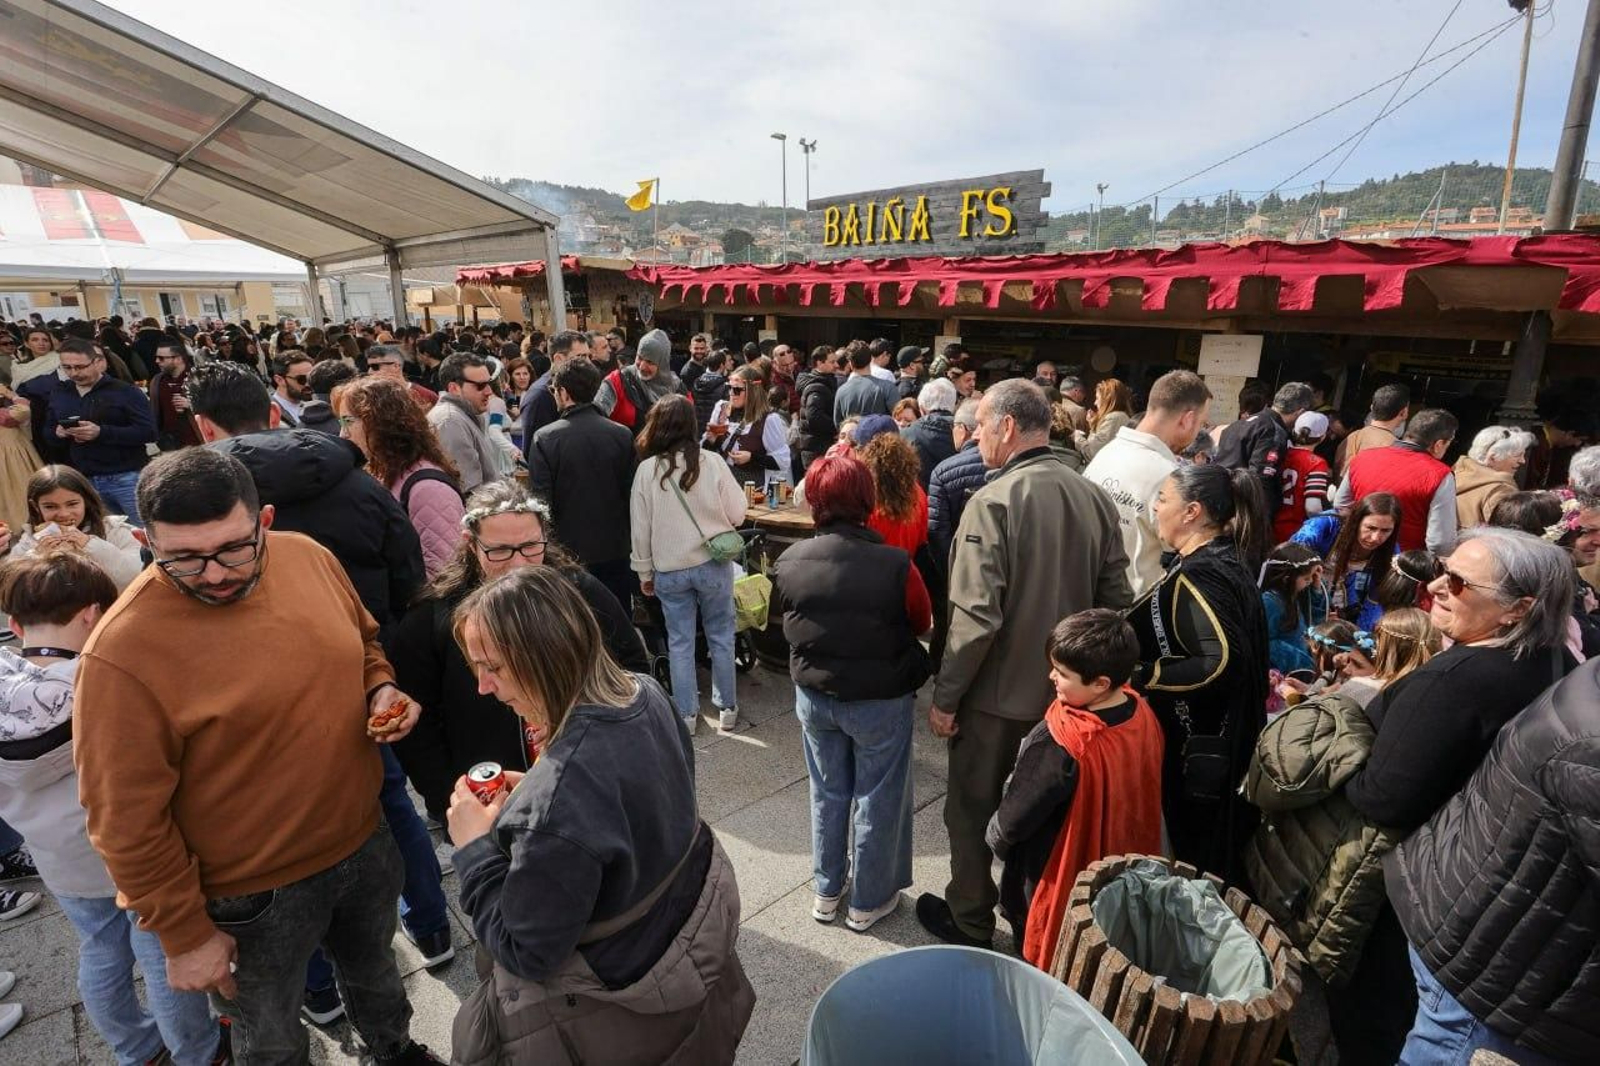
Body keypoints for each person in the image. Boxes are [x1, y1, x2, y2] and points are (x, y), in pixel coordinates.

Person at [74, 449, 439, 1065]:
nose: (215, 574)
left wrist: (379, 686)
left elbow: (364, 643)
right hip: (249, 898)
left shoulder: (310, 558)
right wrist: (186, 935)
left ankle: (397, 1050)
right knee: (269, 1039)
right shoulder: (120, 655)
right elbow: (123, 820)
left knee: (379, 978)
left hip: (362, 841)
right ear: (142, 539)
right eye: (183, 559)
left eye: (234, 549)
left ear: (265, 520)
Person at [445, 566, 754, 1062]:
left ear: (545, 658)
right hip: (684, 956)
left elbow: (527, 950)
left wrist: (476, 849)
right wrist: (538, 794)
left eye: (493, 667)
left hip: (614, 1005)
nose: (483, 686)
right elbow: (635, 795)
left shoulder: (556, 803)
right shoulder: (644, 692)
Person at [1339, 527, 1575, 1063]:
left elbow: (1383, 798)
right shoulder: (1558, 660)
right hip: (1495, 883)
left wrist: (1342, 757)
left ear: (1518, 609)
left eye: (1461, 583)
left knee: (1377, 1015)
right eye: (1443, 569)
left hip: (1424, 891)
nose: (1439, 586)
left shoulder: (1456, 680)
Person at [916, 380, 1133, 950]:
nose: (978, 437)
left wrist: (945, 697)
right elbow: (1116, 606)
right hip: (1067, 701)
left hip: (994, 701)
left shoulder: (993, 502)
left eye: (983, 426)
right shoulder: (1093, 496)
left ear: (1007, 427)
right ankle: (1036, 923)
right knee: (1043, 821)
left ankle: (970, 921)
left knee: (970, 817)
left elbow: (974, 618)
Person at [0, 553, 225, 1065]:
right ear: (92, 615)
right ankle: (198, 1051)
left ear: (15, 625)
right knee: (163, 952)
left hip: (57, 858)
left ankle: (135, 1048)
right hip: (123, 850)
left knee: (100, 950)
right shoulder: (101, 681)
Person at [389, 481, 648, 823]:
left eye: (530, 547)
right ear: (471, 545)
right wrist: (447, 797)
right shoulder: (436, 616)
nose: (518, 564)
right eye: (500, 551)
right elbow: (419, 721)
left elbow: (631, 669)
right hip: (489, 796)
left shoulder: (579, 593)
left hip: (583, 783)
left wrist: (584, 718)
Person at [1385, 657, 1599, 1063]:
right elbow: (1385, 795)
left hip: (1506, 948)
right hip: (1500, 977)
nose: (1437, 591)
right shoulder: (1456, 676)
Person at [1242, 608, 1439, 994]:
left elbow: (1292, 766)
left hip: (1322, 825)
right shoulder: (1422, 700)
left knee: (1293, 907)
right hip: (1359, 843)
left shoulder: (1360, 692)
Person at [773, 456, 933, 933]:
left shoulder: (790, 560)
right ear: (867, 500)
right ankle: (868, 899)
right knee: (877, 797)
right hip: (879, 697)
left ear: (817, 502)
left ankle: (827, 889)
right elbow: (921, 620)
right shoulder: (894, 564)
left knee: (827, 793)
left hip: (816, 695)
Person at [186, 361, 425, 634]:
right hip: (371, 651)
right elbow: (409, 579)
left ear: (204, 428)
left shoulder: (186, 509)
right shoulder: (362, 484)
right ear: (274, 414)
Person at [986, 609, 1163, 972]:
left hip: (1054, 868)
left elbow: (1017, 816)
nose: (1051, 676)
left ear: (1100, 683)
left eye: (1063, 674)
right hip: (1114, 866)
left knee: (1045, 947)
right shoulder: (1140, 711)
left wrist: (997, 839)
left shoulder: (1064, 741)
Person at [1129, 464, 1271, 883]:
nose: (1155, 507)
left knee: (1194, 860)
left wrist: (1143, 676)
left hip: (1199, 753)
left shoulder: (1202, 572)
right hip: (1217, 744)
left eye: (1163, 499)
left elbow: (1219, 661)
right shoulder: (1220, 559)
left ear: (1192, 511)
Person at [630, 397, 748, 734]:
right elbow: (738, 512)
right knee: (721, 636)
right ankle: (727, 707)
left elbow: (640, 529)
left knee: (680, 641)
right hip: (712, 563)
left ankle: (687, 714)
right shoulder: (711, 462)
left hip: (669, 568)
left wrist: (644, 572)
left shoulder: (647, 470)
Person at [1082, 370, 1213, 598]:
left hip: (1089, 597)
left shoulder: (1106, 454)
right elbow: (1186, 554)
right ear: (1187, 419)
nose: (1198, 432)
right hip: (1134, 608)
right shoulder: (1170, 476)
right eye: (1201, 424)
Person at [528, 357, 638, 613]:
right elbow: (631, 494)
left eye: (555, 390)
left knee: (575, 625)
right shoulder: (621, 434)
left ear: (564, 393)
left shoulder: (546, 438)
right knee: (617, 620)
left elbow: (541, 502)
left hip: (567, 552)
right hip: (616, 547)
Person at [338, 377, 465, 579]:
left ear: (380, 422)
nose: (342, 434)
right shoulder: (385, 471)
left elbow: (444, 573)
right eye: (340, 422)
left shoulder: (427, 488)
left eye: (348, 421)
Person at [45, 338, 156, 521]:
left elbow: (149, 432)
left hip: (127, 477)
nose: (74, 373)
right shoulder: (60, 392)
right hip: (84, 480)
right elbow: (47, 433)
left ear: (98, 362)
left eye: (80, 367)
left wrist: (101, 432)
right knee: (110, 538)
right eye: (67, 367)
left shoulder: (125, 391)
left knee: (145, 535)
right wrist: (58, 433)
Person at [1337, 407, 1459, 554]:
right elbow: (1440, 542)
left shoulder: (1362, 458)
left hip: (1355, 553)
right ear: (1439, 444)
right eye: (1448, 444)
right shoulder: (1440, 475)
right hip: (1401, 565)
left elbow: (1341, 506)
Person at [11, 466, 144, 589]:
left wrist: (92, 546)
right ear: (35, 506)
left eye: (72, 504)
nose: (63, 514)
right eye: (50, 507)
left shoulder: (115, 530)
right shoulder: (29, 541)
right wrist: (36, 559)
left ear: (86, 501)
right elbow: (11, 589)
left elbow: (137, 575)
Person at [1294, 492, 1401, 631]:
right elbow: (1293, 559)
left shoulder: (1390, 552)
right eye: (1371, 528)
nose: (1376, 538)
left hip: (1347, 607)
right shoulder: (1328, 526)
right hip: (1305, 596)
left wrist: (1360, 635)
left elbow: (1376, 599)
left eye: (1386, 531)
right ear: (1357, 521)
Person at [1216, 381, 1313, 513]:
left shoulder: (1237, 425)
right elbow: (1260, 479)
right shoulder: (1273, 430)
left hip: (1220, 501)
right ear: (1300, 413)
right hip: (1242, 511)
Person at [704, 367, 791, 489]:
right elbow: (708, 453)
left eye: (737, 390)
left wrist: (751, 458)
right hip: (722, 484)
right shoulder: (721, 409)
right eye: (729, 388)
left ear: (752, 391)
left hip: (751, 486)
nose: (731, 394)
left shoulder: (768, 419)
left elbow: (782, 462)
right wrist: (711, 441)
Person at [926, 397, 986, 571]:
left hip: (961, 564)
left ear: (962, 429)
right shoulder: (1008, 464)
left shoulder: (943, 471)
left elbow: (937, 532)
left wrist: (951, 573)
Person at [425, 353, 500, 493]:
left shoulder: (463, 415)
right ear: (454, 388)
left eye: (489, 383)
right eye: (480, 386)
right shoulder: (450, 421)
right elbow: (470, 491)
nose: (489, 391)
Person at [597, 328, 683, 436]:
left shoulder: (677, 388)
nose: (642, 366)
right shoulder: (617, 381)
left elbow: (687, 427)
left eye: (650, 362)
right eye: (640, 358)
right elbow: (596, 419)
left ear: (662, 364)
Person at [1259, 542, 1328, 675]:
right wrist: (1302, 661)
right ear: (1286, 579)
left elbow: (1314, 617)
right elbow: (1266, 643)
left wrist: (1316, 587)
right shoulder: (1270, 602)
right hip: (1282, 673)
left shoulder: (1292, 595)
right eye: (1307, 578)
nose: (1309, 582)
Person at [519, 329, 591, 454]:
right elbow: (534, 452)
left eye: (588, 356)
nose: (588, 362)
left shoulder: (581, 384)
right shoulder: (539, 396)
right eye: (581, 357)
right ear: (558, 359)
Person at [1453, 424, 1536, 529]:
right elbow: (1507, 535)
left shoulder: (1455, 475)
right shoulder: (1500, 490)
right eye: (1517, 455)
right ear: (1493, 457)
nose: (1522, 461)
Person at [1274, 411, 1333, 544]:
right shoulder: (1317, 463)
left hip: (1270, 525)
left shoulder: (1282, 454)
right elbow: (1312, 508)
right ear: (1322, 437)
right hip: (1296, 531)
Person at [1335, 382, 1410, 478]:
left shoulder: (1352, 437)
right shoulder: (1398, 448)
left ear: (1371, 407)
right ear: (1404, 413)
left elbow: (1339, 472)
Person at [0, 369, 40, 533]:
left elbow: (23, 412)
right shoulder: (6, 414)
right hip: (10, 455)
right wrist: (10, 395)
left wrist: (8, 395)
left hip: (15, 452)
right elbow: (22, 411)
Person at [902, 378, 959, 488]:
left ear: (922, 409)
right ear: (953, 405)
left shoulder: (906, 434)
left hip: (920, 499)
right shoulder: (966, 432)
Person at [794, 345, 840, 476]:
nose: (836, 365)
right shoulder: (816, 387)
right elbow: (814, 416)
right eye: (832, 362)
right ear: (820, 363)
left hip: (817, 447)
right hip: (816, 449)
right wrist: (836, 428)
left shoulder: (825, 382)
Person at [148, 341, 202, 451]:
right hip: (171, 445)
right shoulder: (158, 381)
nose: (157, 361)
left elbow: (218, 407)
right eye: (157, 357)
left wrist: (192, 404)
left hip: (198, 442)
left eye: (161, 358)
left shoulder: (199, 378)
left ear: (178, 359)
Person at [1074, 378, 1135, 462]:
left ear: (1108, 399)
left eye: (1097, 398)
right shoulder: (1121, 416)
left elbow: (1092, 453)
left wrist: (1077, 438)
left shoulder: (1113, 418)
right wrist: (1093, 425)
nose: (1095, 403)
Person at [832, 344, 895, 424]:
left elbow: (838, 423)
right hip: (880, 435)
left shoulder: (841, 391)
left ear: (850, 363)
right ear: (870, 359)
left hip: (852, 435)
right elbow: (898, 417)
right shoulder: (888, 387)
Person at [364, 344, 438, 409]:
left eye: (375, 366)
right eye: (368, 366)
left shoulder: (426, 396)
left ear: (396, 366)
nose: (369, 372)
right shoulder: (366, 396)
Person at [269, 352, 314, 428]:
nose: (308, 384)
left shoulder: (316, 405)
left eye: (312, 378)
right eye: (302, 379)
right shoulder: (266, 412)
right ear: (279, 380)